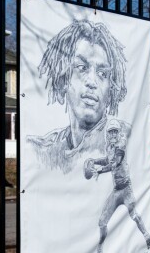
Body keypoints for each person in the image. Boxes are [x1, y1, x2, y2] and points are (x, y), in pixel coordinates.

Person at [27, 19, 129, 173]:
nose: (92, 82)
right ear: (62, 77)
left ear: (111, 88)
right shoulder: (43, 150)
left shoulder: (126, 136)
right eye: (82, 67)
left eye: (102, 73)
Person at [83, 119, 150, 253]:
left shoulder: (121, 144)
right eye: (111, 131)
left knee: (134, 215)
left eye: (115, 131)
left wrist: (99, 170)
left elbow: (114, 163)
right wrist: (94, 161)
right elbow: (107, 160)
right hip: (116, 190)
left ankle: (147, 236)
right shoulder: (109, 147)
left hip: (126, 188)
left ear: (118, 132)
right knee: (102, 222)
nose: (113, 133)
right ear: (108, 134)